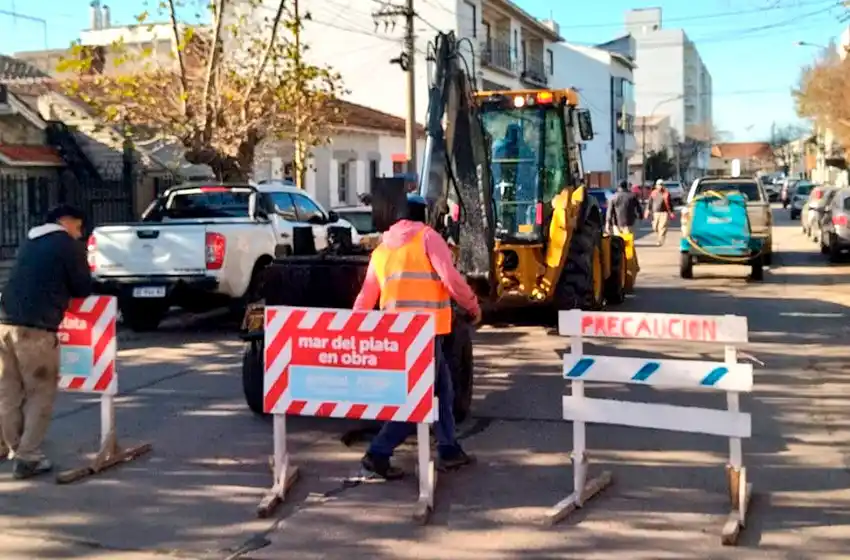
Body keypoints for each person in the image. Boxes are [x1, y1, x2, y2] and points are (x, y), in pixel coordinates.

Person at [353, 188, 481, 479]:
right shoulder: (427, 238)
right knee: (417, 399)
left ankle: (449, 449)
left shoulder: (382, 250)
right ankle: (378, 452)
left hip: (396, 335)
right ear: (422, 214)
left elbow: (366, 296)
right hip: (425, 334)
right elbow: (451, 279)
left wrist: (355, 328)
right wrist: (472, 305)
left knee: (443, 389)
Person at [0, 205, 92, 479]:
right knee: (41, 392)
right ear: (67, 222)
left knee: (8, 391)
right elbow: (82, 287)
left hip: (4, 323)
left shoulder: (29, 241)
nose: (80, 233)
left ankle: (9, 445)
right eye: (79, 227)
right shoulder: (67, 245)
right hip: (37, 329)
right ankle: (28, 457)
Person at [645, 179, 675, 246]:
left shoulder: (666, 193)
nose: (660, 186)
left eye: (661, 185)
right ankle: (659, 237)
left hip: (664, 213)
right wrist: (647, 211)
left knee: (662, 227)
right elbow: (650, 202)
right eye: (659, 185)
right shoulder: (653, 193)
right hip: (655, 213)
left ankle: (660, 240)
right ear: (656, 186)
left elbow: (670, 204)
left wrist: (671, 212)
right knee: (655, 227)